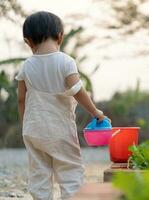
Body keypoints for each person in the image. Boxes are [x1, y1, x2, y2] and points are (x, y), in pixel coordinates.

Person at [16, 11, 106, 200]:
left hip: (33, 128)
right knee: (70, 170)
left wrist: (25, 123)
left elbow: (21, 99)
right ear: (60, 36)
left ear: (28, 41)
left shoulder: (26, 66)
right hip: (60, 130)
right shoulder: (65, 61)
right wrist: (95, 111)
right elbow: (77, 90)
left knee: (39, 172)